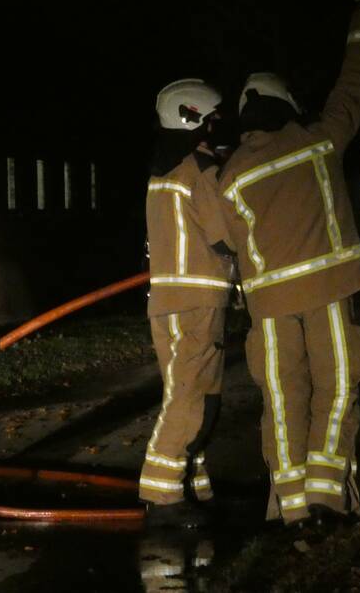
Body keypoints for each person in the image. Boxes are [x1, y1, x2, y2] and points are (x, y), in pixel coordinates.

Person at [216, 0, 360, 528]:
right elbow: (355, 84)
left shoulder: (230, 177)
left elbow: (229, 243)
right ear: (287, 105)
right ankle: (327, 498)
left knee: (282, 402)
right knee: (337, 387)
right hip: (329, 292)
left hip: (267, 309)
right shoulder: (319, 141)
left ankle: (289, 513)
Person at [139, 79, 235, 527]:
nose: (220, 126)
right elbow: (226, 236)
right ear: (193, 119)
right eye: (213, 119)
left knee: (189, 393)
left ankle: (192, 485)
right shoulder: (199, 172)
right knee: (191, 398)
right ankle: (162, 497)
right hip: (198, 300)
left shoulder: (163, 172)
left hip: (168, 300)